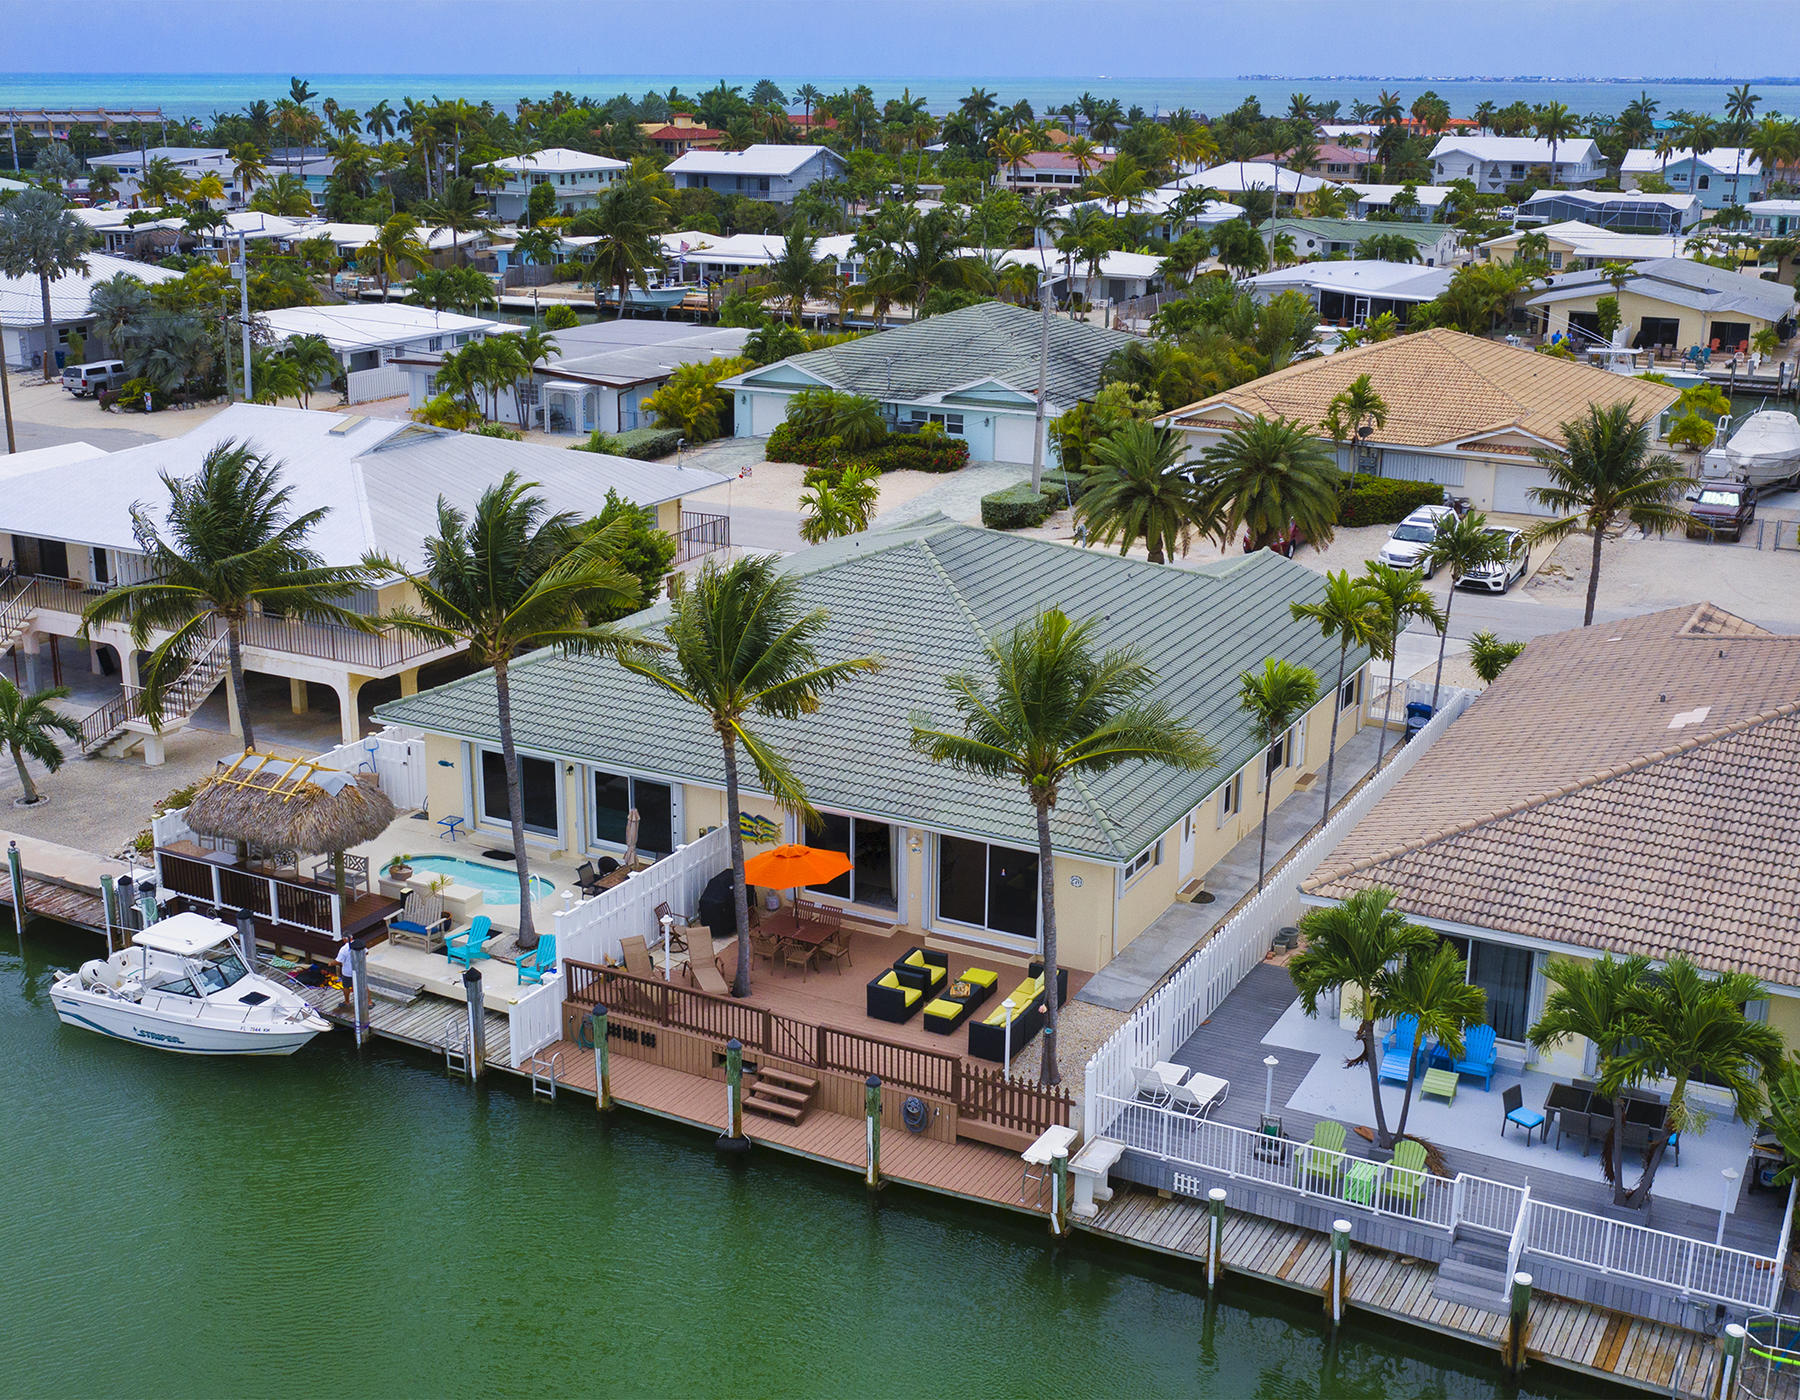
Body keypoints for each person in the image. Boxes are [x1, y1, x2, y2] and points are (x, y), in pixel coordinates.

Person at [337, 935, 357, 1012]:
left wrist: (331, 963)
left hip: (347, 972)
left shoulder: (343, 949)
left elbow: (339, 960)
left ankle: (347, 1001)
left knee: (346, 986)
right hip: (358, 970)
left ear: (345, 939)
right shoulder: (358, 944)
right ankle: (368, 1002)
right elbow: (366, 952)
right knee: (360, 986)